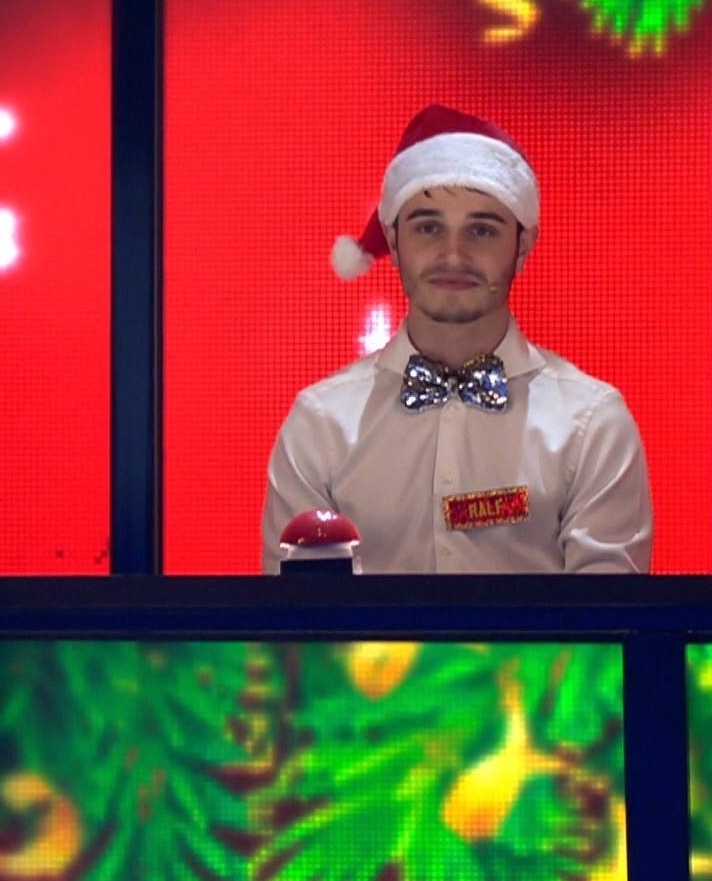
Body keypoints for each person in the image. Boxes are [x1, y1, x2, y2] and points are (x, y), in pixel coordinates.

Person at [262, 106, 651, 574]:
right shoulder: (318, 426)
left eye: (481, 230)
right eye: (428, 227)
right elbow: (301, 616)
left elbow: (608, 616)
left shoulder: (593, 425)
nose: (453, 255)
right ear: (394, 241)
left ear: (523, 245)